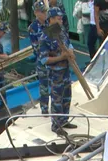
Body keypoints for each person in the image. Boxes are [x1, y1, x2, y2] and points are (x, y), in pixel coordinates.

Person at [39, 7, 77, 136]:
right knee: (57, 99)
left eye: (61, 17)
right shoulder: (45, 37)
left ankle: (64, 120)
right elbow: (44, 59)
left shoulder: (61, 31)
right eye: (58, 18)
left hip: (66, 70)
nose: (61, 19)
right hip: (55, 73)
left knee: (67, 96)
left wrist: (71, 51)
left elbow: (69, 43)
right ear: (51, 19)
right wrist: (61, 57)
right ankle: (56, 125)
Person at [29, 1, 50, 115]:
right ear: (36, 13)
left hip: (54, 59)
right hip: (42, 61)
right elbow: (36, 48)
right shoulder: (33, 28)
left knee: (57, 84)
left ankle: (59, 107)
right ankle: (45, 108)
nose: (44, 14)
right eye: (42, 12)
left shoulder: (50, 23)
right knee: (44, 87)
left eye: (45, 11)